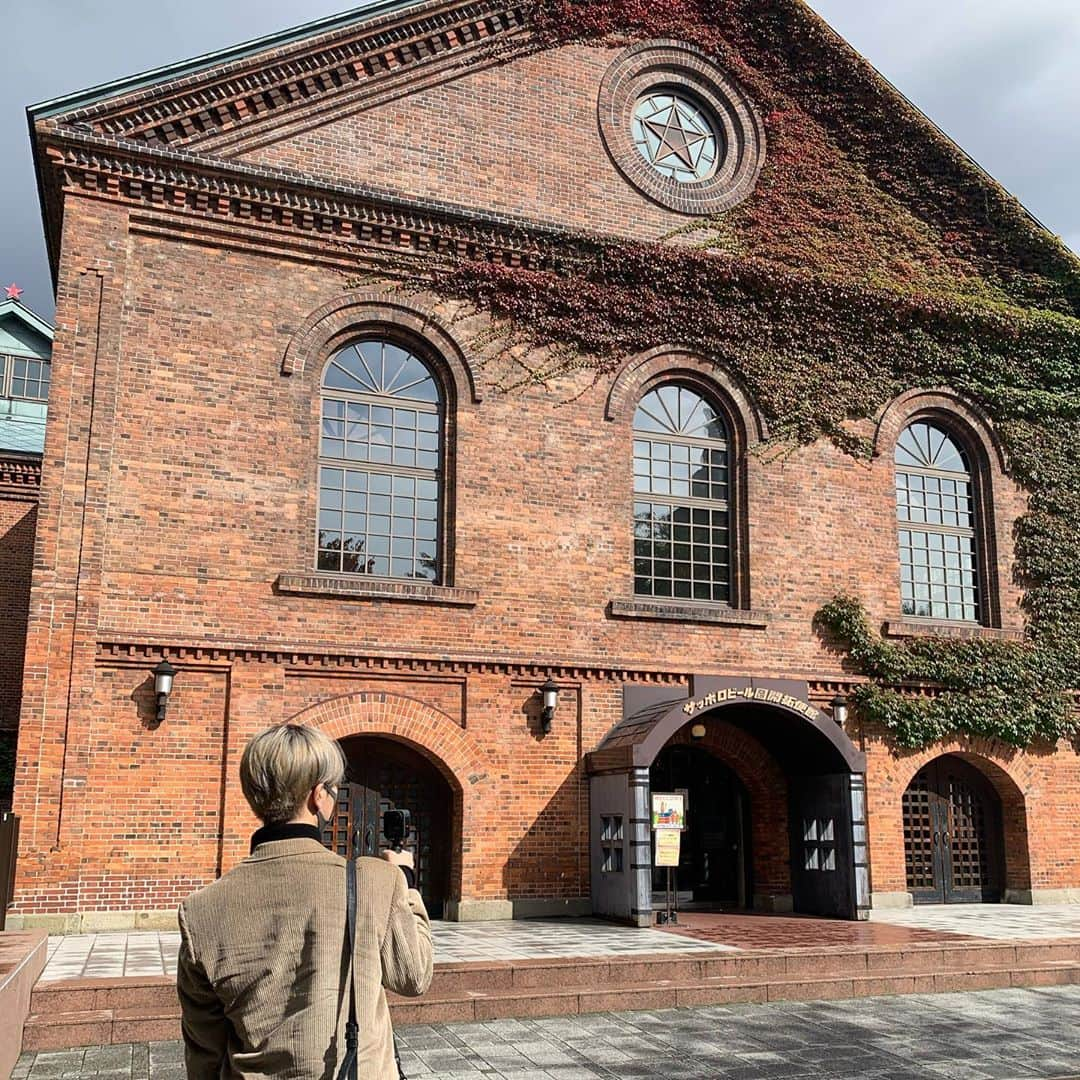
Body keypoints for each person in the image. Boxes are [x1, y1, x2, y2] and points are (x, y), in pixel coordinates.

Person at [176, 724, 433, 1079]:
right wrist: (407, 887)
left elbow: (204, 1049)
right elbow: (413, 975)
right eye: (332, 788)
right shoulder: (375, 879)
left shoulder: (200, 909)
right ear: (318, 796)